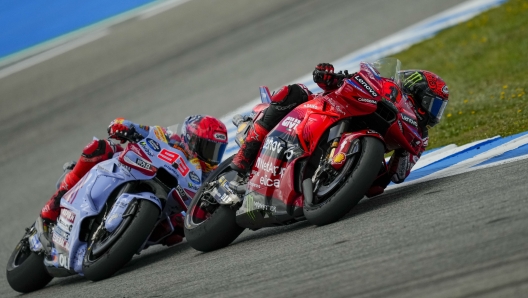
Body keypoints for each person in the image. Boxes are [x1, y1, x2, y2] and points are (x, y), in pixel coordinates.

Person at [230, 62, 449, 197]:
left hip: (355, 154)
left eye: (438, 108)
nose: (433, 113)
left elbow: (398, 175)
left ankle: (326, 183)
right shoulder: (388, 90)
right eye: (432, 104)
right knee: (293, 92)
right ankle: (243, 156)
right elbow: (348, 83)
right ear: (415, 92)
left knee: (375, 189)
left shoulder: (419, 136)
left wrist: (389, 162)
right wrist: (329, 77)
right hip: (321, 110)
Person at [40, 115, 228, 246]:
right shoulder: (169, 137)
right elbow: (136, 127)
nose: (212, 157)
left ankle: (123, 240)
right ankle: (52, 206)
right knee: (98, 148)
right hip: (131, 167)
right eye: (208, 148)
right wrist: (122, 127)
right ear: (191, 138)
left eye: (217, 151)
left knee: (175, 233)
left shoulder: (205, 177)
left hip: (165, 202)